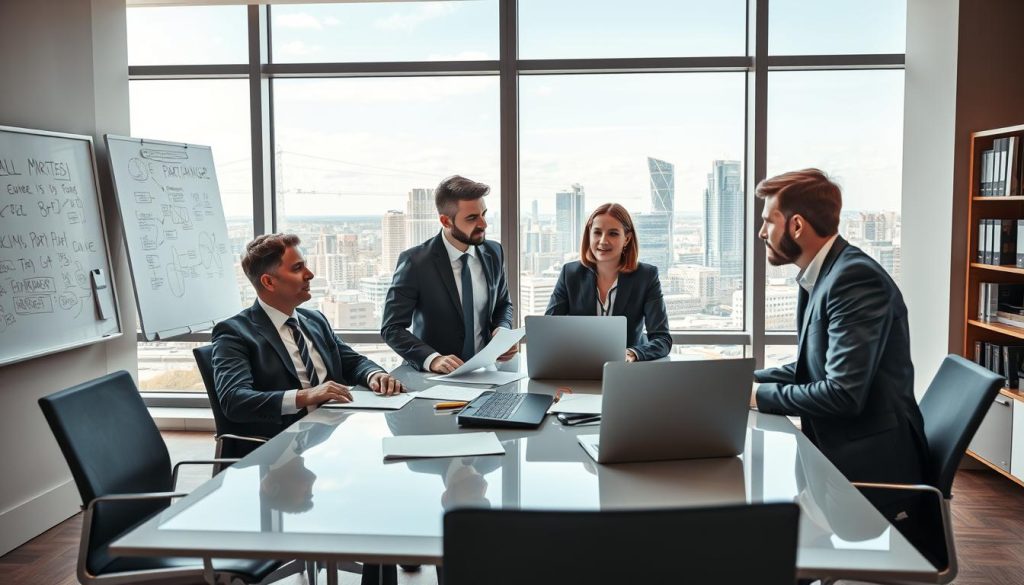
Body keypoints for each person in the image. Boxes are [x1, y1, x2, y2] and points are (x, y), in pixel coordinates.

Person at [750, 169, 940, 566]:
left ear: (797, 225)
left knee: (755, 540)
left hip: (868, 479)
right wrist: (741, 382)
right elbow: (811, 369)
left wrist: (757, 397)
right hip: (836, 458)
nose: (762, 232)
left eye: (768, 220)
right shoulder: (826, 274)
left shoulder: (852, 279)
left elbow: (842, 394)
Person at [212, 233, 404, 444]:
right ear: (268, 282)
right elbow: (234, 400)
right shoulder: (234, 332)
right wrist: (306, 396)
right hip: (283, 447)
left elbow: (352, 362)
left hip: (335, 432)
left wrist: (374, 375)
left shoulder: (314, 319)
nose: (310, 274)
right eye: (297, 268)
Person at [382, 175, 516, 373]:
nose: (483, 224)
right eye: (472, 218)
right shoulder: (415, 262)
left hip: (488, 371)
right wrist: (432, 359)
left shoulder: (494, 252)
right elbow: (392, 328)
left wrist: (502, 331)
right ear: (446, 221)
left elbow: (503, 304)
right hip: (435, 378)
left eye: (484, 214)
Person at [545, 203, 671, 361]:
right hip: (578, 367)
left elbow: (662, 339)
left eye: (613, 234)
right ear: (589, 235)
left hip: (626, 370)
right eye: (597, 233)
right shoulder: (570, 274)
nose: (603, 241)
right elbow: (548, 331)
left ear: (627, 238)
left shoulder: (645, 276)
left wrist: (633, 353)